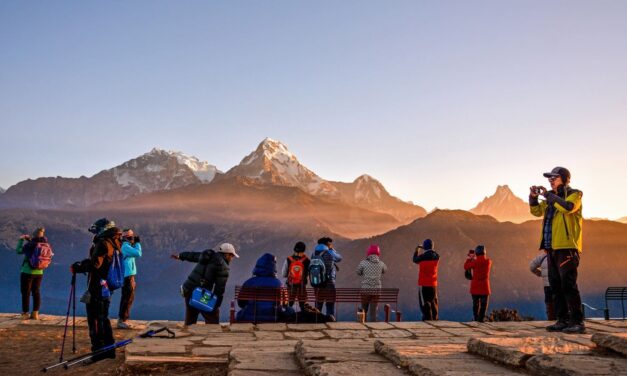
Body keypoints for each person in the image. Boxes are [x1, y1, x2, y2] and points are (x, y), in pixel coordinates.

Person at [530, 166, 584, 334]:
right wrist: (533, 198)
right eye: (549, 178)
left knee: (568, 284)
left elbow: (568, 207)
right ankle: (562, 320)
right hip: (551, 248)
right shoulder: (550, 201)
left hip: (567, 247)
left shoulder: (575, 194)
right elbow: (536, 211)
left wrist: (548, 195)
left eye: (554, 178)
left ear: (565, 179)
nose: (551, 180)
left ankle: (577, 321)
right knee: (555, 285)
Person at [71, 220, 122, 362]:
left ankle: (98, 352)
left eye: (95, 231)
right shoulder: (115, 241)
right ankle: (109, 350)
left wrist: (79, 266)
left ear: (102, 230)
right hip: (107, 286)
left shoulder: (103, 243)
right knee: (103, 318)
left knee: (95, 320)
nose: (94, 233)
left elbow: (95, 264)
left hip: (97, 287)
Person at [171, 243, 237, 326]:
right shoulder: (223, 267)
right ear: (227, 254)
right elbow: (219, 288)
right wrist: (216, 305)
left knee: (191, 316)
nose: (232, 258)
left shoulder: (208, 256)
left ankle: (188, 330)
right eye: (232, 256)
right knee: (212, 317)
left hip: (188, 289)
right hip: (200, 293)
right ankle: (212, 334)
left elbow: (193, 256)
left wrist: (180, 256)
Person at [237, 253, 287, 322]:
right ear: (273, 267)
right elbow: (284, 303)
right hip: (273, 317)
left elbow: (241, 303)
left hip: (250, 317)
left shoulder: (249, 282)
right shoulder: (278, 284)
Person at [16, 227, 49, 320]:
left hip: (27, 271)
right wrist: (29, 240)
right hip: (39, 272)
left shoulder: (30, 245)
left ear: (34, 235)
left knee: (25, 292)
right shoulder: (45, 244)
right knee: (36, 291)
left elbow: (18, 251)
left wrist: (21, 240)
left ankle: (25, 313)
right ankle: (35, 313)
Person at [117, 229, 142, 329]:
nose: (133, 237)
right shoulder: (125, 246)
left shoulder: (125, 245)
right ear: (127, 237)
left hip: (127, 274)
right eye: (131, 236)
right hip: (127, 275)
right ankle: (122, 320)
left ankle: (123, 319)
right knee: (128, 297)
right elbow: (138, 253)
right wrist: (138, 243)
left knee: (127, 297)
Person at [312, 237, 342, 318]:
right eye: (330, 244)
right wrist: (332, 249)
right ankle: (330, 322)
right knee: (330, 304)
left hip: (317, 283)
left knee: (318, 305)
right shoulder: (330, 252)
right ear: (327, 244)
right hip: (329, 283)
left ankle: (316, 321)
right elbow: (339, 258)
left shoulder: (314, 253)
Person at [356, 244, 387, 322]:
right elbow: (385, 270)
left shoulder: (363, 263)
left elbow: (358, 272)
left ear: (368, 253)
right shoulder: (381, 263)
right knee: (373, 312)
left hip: (365, 290)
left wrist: (365, 272)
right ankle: (372, 326)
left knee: (364, 310)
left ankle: (363, 324)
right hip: (376, 290)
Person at [412, 239, 439, 321]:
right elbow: (434, 253)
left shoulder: (422, 257)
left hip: (423, 284)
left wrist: (417, 250)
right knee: (433, 302)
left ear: (424, 247)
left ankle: (427, 320)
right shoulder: (436, 256)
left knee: (424, 304)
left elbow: (415, 259)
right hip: (433, 284)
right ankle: (435, 319)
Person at [464, 245, 492, 322]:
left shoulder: (474, 263)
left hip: (475, 287)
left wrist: (470, 258)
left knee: (475, 304)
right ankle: (481, 319)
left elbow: (466, 267)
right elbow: (482, 260)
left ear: (476, 253)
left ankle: (476, 319)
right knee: (484, 304)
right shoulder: (488, 262)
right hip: (485, 287)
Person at [281, 241, 310, 311]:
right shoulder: (307, 260)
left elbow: (284, 274)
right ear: (303, 250)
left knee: (289, 304)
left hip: (291, 286)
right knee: (303, 305)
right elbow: (309, 274)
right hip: (302, 286)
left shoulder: (288, 259)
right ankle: (303, 319)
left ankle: (287, 317)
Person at [530, 250, 555, 321]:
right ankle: (561, 319)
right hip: (558, 284)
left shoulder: (542, 257)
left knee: (549, 302)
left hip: (547, 285)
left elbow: (532, 267)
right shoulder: (559, 256)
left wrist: (540, 274)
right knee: (559, 301)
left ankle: (551, 319)